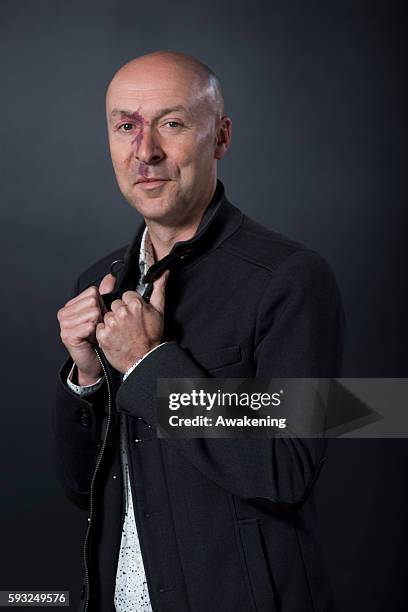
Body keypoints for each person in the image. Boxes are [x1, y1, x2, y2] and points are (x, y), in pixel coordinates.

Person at [53, 50, 345, 612]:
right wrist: (86, 376)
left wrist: (149, 363)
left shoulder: (291, 279)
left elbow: (287, 469)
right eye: (126, 126)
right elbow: (78, 486)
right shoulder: (99, 284)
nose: (146, 151)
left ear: (220, 137)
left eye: (172, 123)